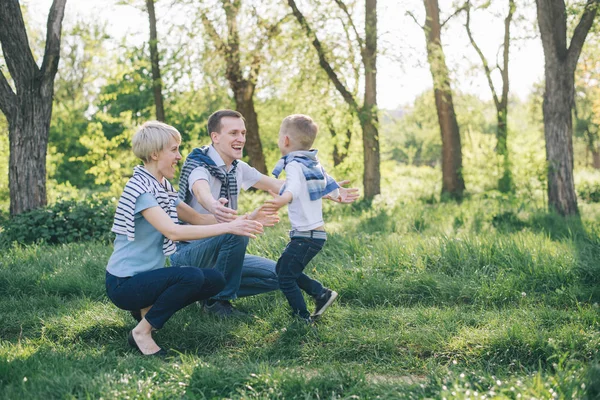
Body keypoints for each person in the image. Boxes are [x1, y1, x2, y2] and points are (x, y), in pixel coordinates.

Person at [172, 110, 359, 317]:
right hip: (190, 254)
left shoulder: (237, 168)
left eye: (243, 133)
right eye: (234, 133)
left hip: (222, 253)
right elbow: (200, 190)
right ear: (215, 137)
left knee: (281, 274)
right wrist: (214, 205)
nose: (241, 139)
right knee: (237, 231)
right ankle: (217, 303)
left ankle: (204, 293)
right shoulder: (199, 165)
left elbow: (280, 185)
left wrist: (325, 191)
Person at [105, 121, 263, 356]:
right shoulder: (142, 190)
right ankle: (142, 332)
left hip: (146, 277)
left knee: (214, 280)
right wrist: (229, 228)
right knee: (191, 276)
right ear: (155, 153)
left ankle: (146, 310)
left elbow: (198, 219)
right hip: (124, 284)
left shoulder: (162, 186)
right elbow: (174, 232)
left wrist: (245, 219)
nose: (179, 156)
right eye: (174, 149)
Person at [265, 114, 357, 323]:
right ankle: (320, 293)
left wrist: (283, 199)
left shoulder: (294, 165)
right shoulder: (312, 163)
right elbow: (323, 183)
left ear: (286, 140)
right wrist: (337, 193)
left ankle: (302, 318)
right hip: (314, 235)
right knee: (284, 269)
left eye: (280, 136)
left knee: (285, 276)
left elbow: (295, 188)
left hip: (306, 236)